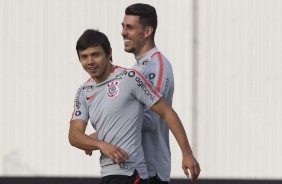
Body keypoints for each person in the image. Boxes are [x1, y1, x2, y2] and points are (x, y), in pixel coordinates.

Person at [69, 29, 200, 184]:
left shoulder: (130, 78)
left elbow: (166, 112)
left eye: (95, 55)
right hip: (107, 174)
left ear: (108, 53)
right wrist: (100, 144)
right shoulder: (83, 91)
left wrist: (187, 153)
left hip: (132, 173)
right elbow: (74, 135)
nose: (90, 61)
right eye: (84, 57)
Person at [121, 3, 195, 183]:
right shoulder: (136, 68)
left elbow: (151, 121)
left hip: (151, 171)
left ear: (147, 32)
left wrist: (105, 133)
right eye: (123, 26)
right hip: (135, 169)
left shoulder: (157, 66)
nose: (123, 32)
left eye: (130, 27)